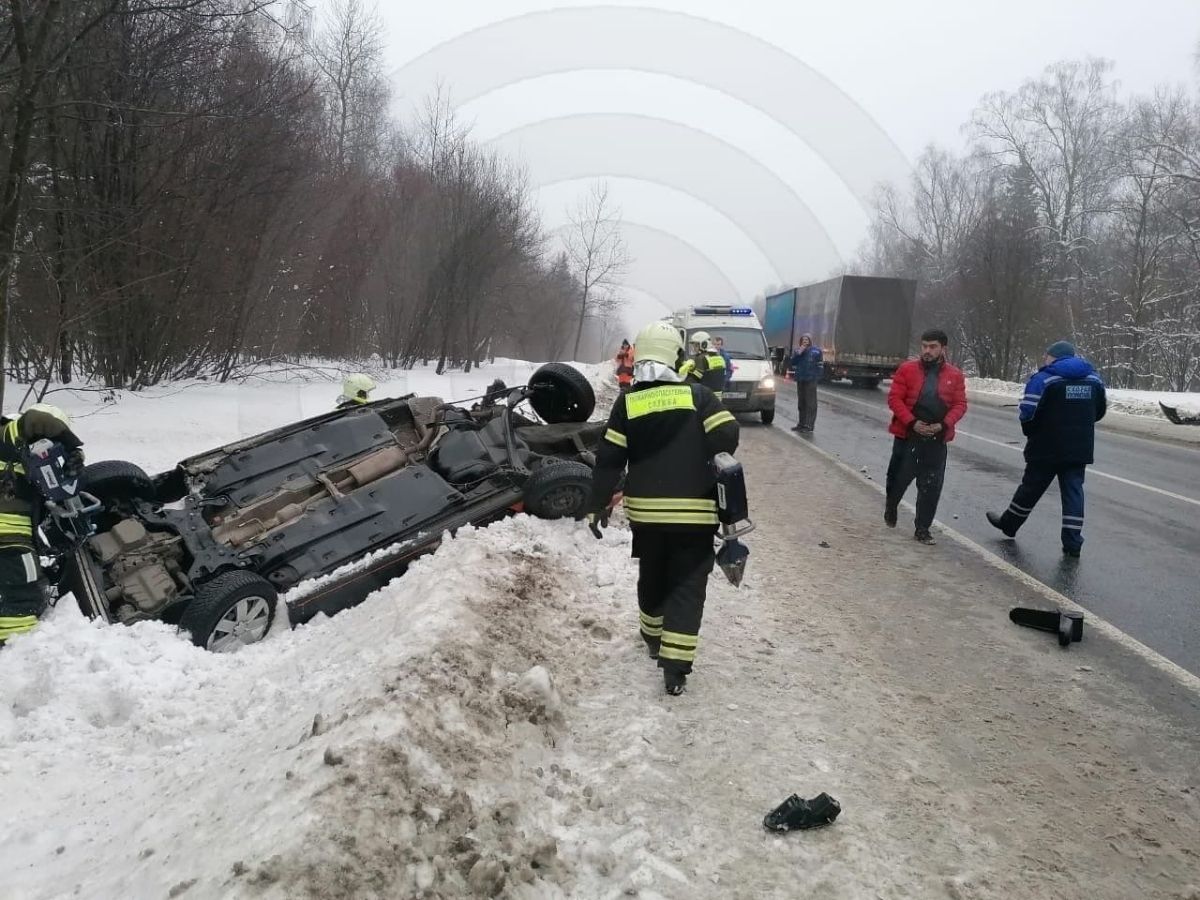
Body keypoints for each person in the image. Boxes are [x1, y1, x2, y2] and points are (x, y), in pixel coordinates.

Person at [584, 320, 739, 696]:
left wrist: (597, 504)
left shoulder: (628, 402)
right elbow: (727, 438)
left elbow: (608, 460)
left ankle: (652, 637)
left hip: (647, 515)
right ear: (676, 356)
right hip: (694, 516)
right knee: (687, 585)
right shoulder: (699, 396)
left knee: (653, 573)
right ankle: (675, 670)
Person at [986, 341, 1106, 558]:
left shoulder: (1044, 378)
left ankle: (1009, 524)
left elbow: (1028, 413)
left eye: (1046, 356)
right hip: (1079, 447)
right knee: (1073, 493)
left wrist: (1031, 431)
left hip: (1045, 447)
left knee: (1030, 488)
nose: (1044, 360)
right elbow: (1099, 411)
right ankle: (1072, 543)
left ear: (1054, 357)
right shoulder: (1094, 379)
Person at [0, 404, 85, 646]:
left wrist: (75, 460)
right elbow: (37, 420)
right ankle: (15, 654)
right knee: (22, 599)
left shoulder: (26, 457)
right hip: (9, 539)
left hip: (12, 537)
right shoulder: (11, 433)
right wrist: (72, 445)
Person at [884, 329, 968, 545]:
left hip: (936, 438)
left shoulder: (954, 375)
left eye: (933, 347)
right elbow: (895, 399)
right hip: (907, 434)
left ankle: (922, 529)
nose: (927, 351)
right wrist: (912, 422)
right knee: (897, 479)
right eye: (924, 346)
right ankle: (891, 506)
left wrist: (943, 424)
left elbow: (960, 404)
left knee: (931, 485)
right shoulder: (907, 369)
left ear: (943, 349)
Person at [678, 331, 727, 400]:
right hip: (718, 398)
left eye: (696, 345)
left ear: (703, 344)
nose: (694, 348)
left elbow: (694, 379)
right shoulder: (720, 357)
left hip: (705, 397)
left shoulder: (701, 358)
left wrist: (680, 383)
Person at [789, 334, 822, 432]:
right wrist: (799, 352)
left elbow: (820, 365)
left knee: (810, 403)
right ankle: (801, 423)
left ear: (810, 341)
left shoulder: (816, 351)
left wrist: (817, 377)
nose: (805, 341)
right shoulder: (798, 351)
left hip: (811, 380)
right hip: (800, 379)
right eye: (803, 339)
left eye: (807, 339)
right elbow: (793, 362)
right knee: (801, 402)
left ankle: (809, 425)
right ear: (800, 341)